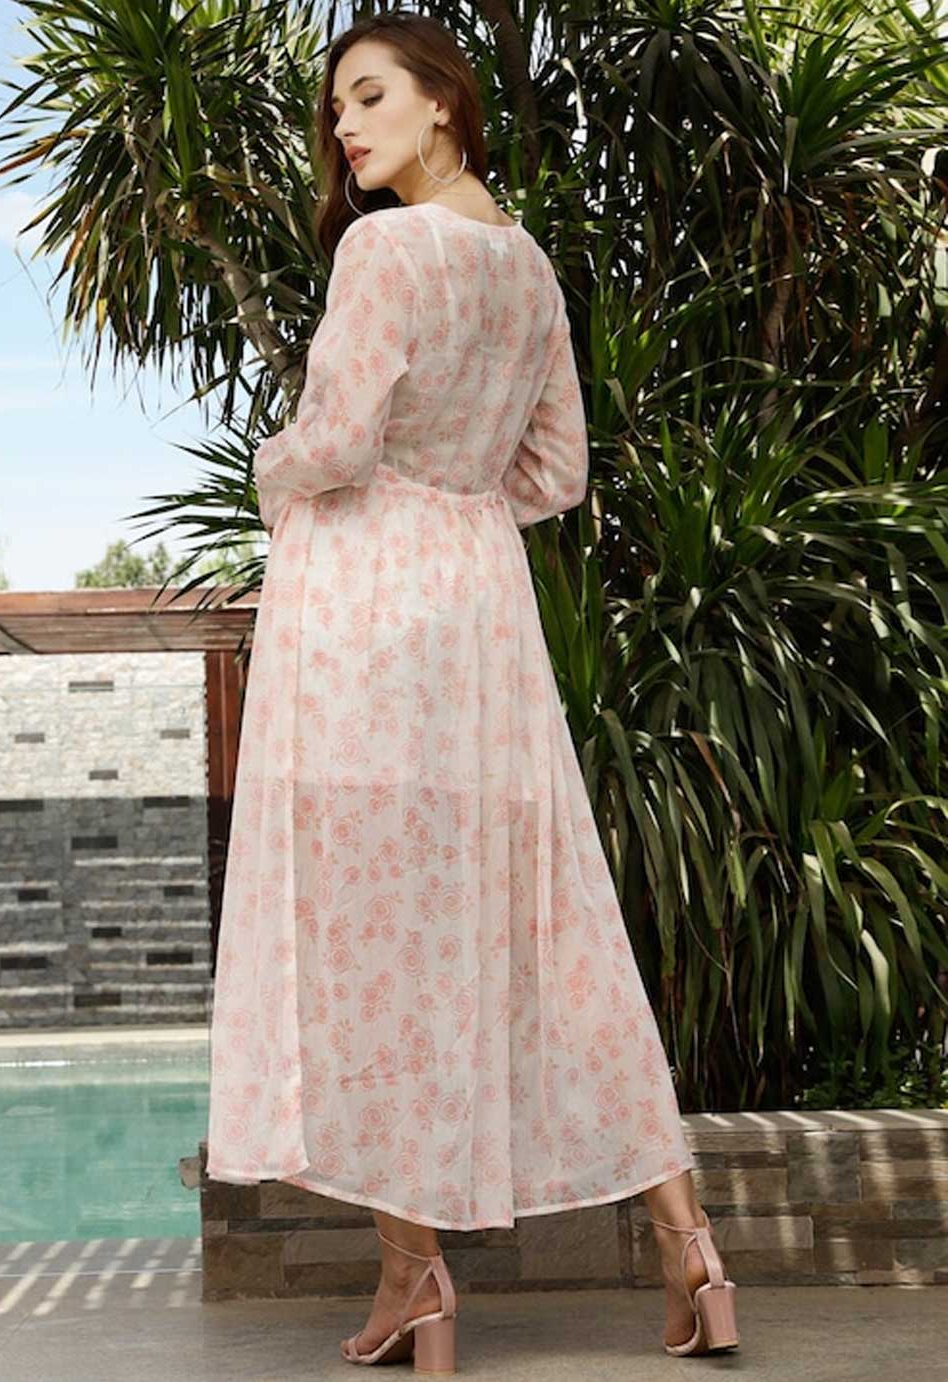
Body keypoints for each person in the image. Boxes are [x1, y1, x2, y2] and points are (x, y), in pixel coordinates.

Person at [206, 10, 739, 1374]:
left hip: (366, 628)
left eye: (369, 95)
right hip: (482, 625)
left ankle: (417, 1279)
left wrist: (276, 473)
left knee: (377, 940)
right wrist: (458, 500)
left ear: (444, 101)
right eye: (336, 108)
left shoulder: (383, 251)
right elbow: (556, 475)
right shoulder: (529, 266)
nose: (346, 125)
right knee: (556, 925)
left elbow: (335, 441)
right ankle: (693, 1249)